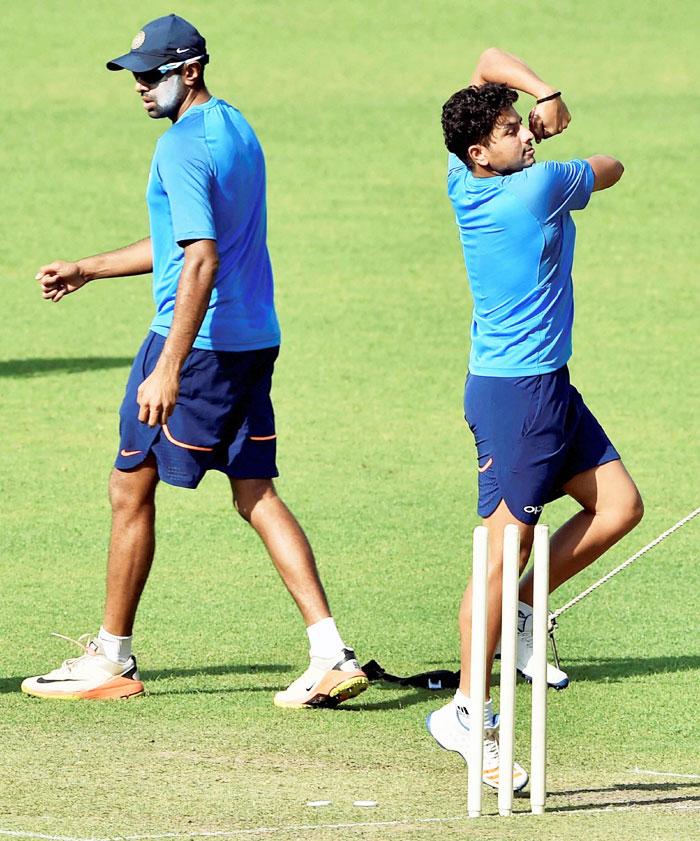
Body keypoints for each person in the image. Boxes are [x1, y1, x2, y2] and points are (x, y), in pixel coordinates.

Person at [23, 14, 368, 709]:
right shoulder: (236, 127)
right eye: (135, 76)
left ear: (191, 71)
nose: (141, 87)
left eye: (152, 75)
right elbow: (191, 243)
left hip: (197, 345)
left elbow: (201, 258)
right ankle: (330, 650)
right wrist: (90, 267)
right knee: (254, 491)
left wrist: (169, 364)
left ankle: (111, 657)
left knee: (131, 485)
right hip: (251, 337)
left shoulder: (180, 148)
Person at [426, 48, 643, 789]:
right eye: (512, 131)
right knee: (497, 553)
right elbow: (611, 165)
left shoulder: (465, 176)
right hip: (516, 400)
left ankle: (522, 611)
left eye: (524, 126)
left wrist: (538, 100)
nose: (526, 134)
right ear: (481, 152)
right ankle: (466, 710)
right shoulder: (538, 188)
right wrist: (552, 119)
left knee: (619, 506)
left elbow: (486, 60)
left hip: (547, 389)